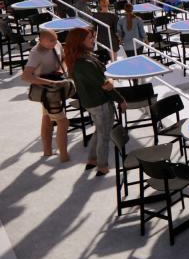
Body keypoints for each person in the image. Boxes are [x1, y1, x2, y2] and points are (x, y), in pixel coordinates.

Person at [64, 28, 126, 176]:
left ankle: (92, 159)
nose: (93, 40)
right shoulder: (86, 62)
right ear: (80, 41)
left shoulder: (75, 58)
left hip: (90, 103)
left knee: (99, 131)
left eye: (93, 37)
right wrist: (121, 99)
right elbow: (106, 86)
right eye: (90, 38)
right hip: (100, 103)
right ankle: (102, 166)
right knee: (104, 136)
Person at [22, 30, 71, 162]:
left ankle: (47, 151)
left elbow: (64, 58)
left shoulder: (56, 44)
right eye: (51, 41)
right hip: (47, 92)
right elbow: (26, 76)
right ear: (41, 40)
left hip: (54, 88)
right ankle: (64, 156)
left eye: (55, 40)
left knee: (47, 118)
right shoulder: (35, 53)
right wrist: (50, 82)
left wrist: (61, 70)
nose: (55, 43)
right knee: (63, 121)